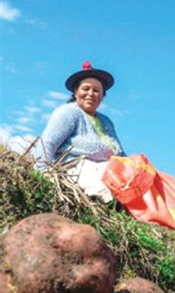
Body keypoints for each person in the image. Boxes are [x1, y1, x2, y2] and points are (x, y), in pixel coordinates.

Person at [36, 61, 125, 201]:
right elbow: (46, 143)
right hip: (78, 167)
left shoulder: (106, 121)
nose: (91, 94)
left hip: (108, 168)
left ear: (102, 96)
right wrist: (45, 173)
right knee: (111, 192)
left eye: (96, 90)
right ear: (76, 92)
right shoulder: (68, 112)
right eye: (86, 89)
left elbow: (120, 153)